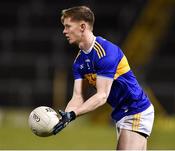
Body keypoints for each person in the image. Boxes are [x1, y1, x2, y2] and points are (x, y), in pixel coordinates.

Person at [53, 5, 154, 150]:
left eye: (68, 26)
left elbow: (101, 96)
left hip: (136, 109)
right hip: (122, 113)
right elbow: (77, 96)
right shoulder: (79, 62)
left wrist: (74, 114)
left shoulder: (106, 53)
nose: (64, 31)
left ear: (82, 26)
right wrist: (66, 116)